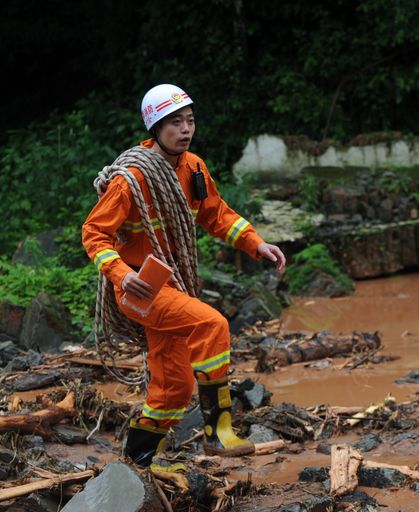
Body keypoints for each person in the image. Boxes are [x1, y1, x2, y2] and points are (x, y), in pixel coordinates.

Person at [82, 84, 286, 467]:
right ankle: (219, 432)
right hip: (139, 289)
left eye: (189, 120)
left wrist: (255, 243)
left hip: (173, 286)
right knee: (212, 324)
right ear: (155, 127)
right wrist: (121, 274)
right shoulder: (132, 179)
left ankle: (138, 462)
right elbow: (94, 233)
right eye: (174, 122)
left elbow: (216, 214)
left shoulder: (193, 167)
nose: (185, 129)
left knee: (173, 388)